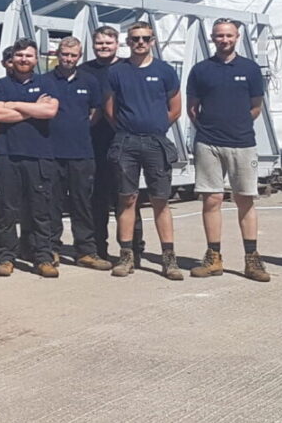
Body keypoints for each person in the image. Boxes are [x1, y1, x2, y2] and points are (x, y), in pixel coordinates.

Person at [187, 18, 270, 282]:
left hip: (243, 143)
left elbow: (256, 107)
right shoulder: (201, 70)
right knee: (211, 200)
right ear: (212, 38)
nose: (224, 40)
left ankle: (252, 258)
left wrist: (237, 123)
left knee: (245, 199)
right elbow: (192, 108)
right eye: (219, 36)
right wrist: (210, 128)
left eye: (229, 36)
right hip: (208, 143)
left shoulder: (250, 69)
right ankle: (214, 257)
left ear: (237, 37)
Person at [104, 21, 184, 280]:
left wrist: (156, 126)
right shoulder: (117, 72)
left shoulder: (165, 71)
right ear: (128, 42)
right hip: (126, 143)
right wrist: (127, 129)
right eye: (135, 38)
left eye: (145, 38)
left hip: (155, 143)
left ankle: (168, 259)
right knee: (127, 198)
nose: (140, 43)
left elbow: (176, 108)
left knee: (161, 200)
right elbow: (110, 109)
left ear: (153, 41)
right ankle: (126, 256)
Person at [0, 41, 58, 277]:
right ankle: (6, 257)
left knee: (39, 211)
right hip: (7, 155)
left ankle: (42, 257)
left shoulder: (47, 83)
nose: (24, 59)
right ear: (12, 59)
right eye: (20, 55)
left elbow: (50, 111)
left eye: (29, 55)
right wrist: (33, 108)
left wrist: (16, 106)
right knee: (6, 210)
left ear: (36, 59)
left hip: (39, 156)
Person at [45, 36, 109, 270]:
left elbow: (96, 112)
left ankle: (86, 250)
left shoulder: (90, 81)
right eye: (64, 55)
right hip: (52, 152)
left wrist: (79, 127)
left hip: (82, 152)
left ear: (79, 57)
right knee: (52, 203)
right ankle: (51, 249)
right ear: (57, 55)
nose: (68, 59)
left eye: (73, 56)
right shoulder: (45, 81)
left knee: (83, 203)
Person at [79, 26, 124, 259]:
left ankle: (132, 249)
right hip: (93, 143)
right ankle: (98, 248)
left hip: (123, 141)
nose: (104, 47)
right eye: (99, 43)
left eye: (108, 43)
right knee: (96, 198)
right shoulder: (84, 71)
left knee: (124, 198)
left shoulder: (127, 68)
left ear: (117, 43)